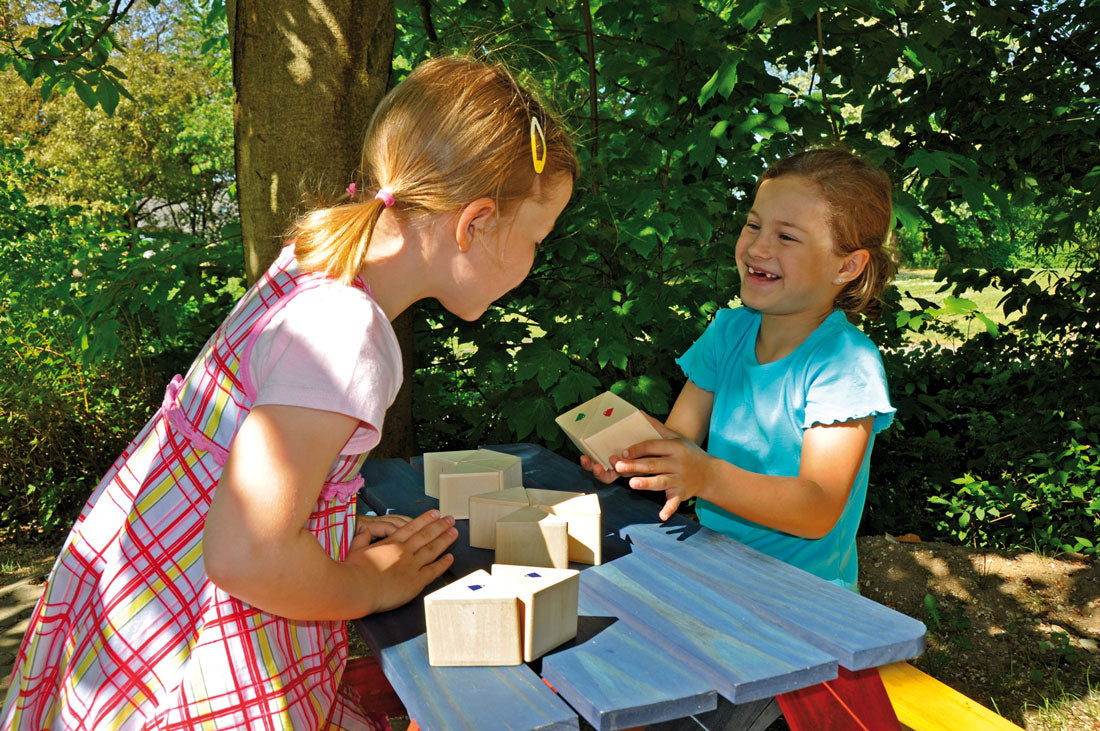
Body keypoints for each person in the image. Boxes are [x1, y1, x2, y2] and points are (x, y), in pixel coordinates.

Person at [2, 56, 578, 730]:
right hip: (196, 640)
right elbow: (247, 556)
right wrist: (372, 583)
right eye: (537, 237)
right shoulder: (344, 333)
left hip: (153, 590)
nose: (536, 258)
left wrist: (323, 529)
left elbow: (239, 475)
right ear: (474, 223)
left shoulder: (315, 266)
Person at [583, 148, 896, 594]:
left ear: (846, 266)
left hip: (807, 596)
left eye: (786, 237)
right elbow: (681, 442)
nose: (757, 247)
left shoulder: (844, 363)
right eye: (753, 225)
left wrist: (705, 475)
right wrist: (633, 455)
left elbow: (817, 508)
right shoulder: (729, 332)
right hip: (714, 563)